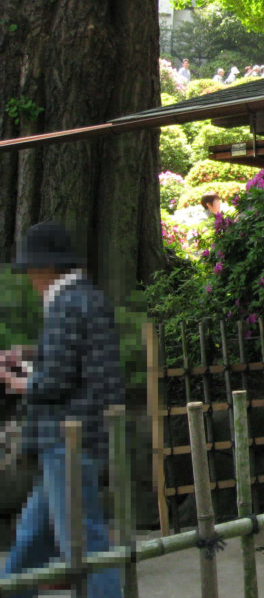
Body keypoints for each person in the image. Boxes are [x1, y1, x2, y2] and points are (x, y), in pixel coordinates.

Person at [1, 222, 124, 598]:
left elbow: (53, 381)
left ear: (44, 268)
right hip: (83, 433)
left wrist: (13, 380)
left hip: (66, 437)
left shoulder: (65, 302)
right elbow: (78, 362)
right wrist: (28, 356)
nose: (31, 280)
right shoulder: (89, 297)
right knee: (32, 535)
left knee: (83, 540)